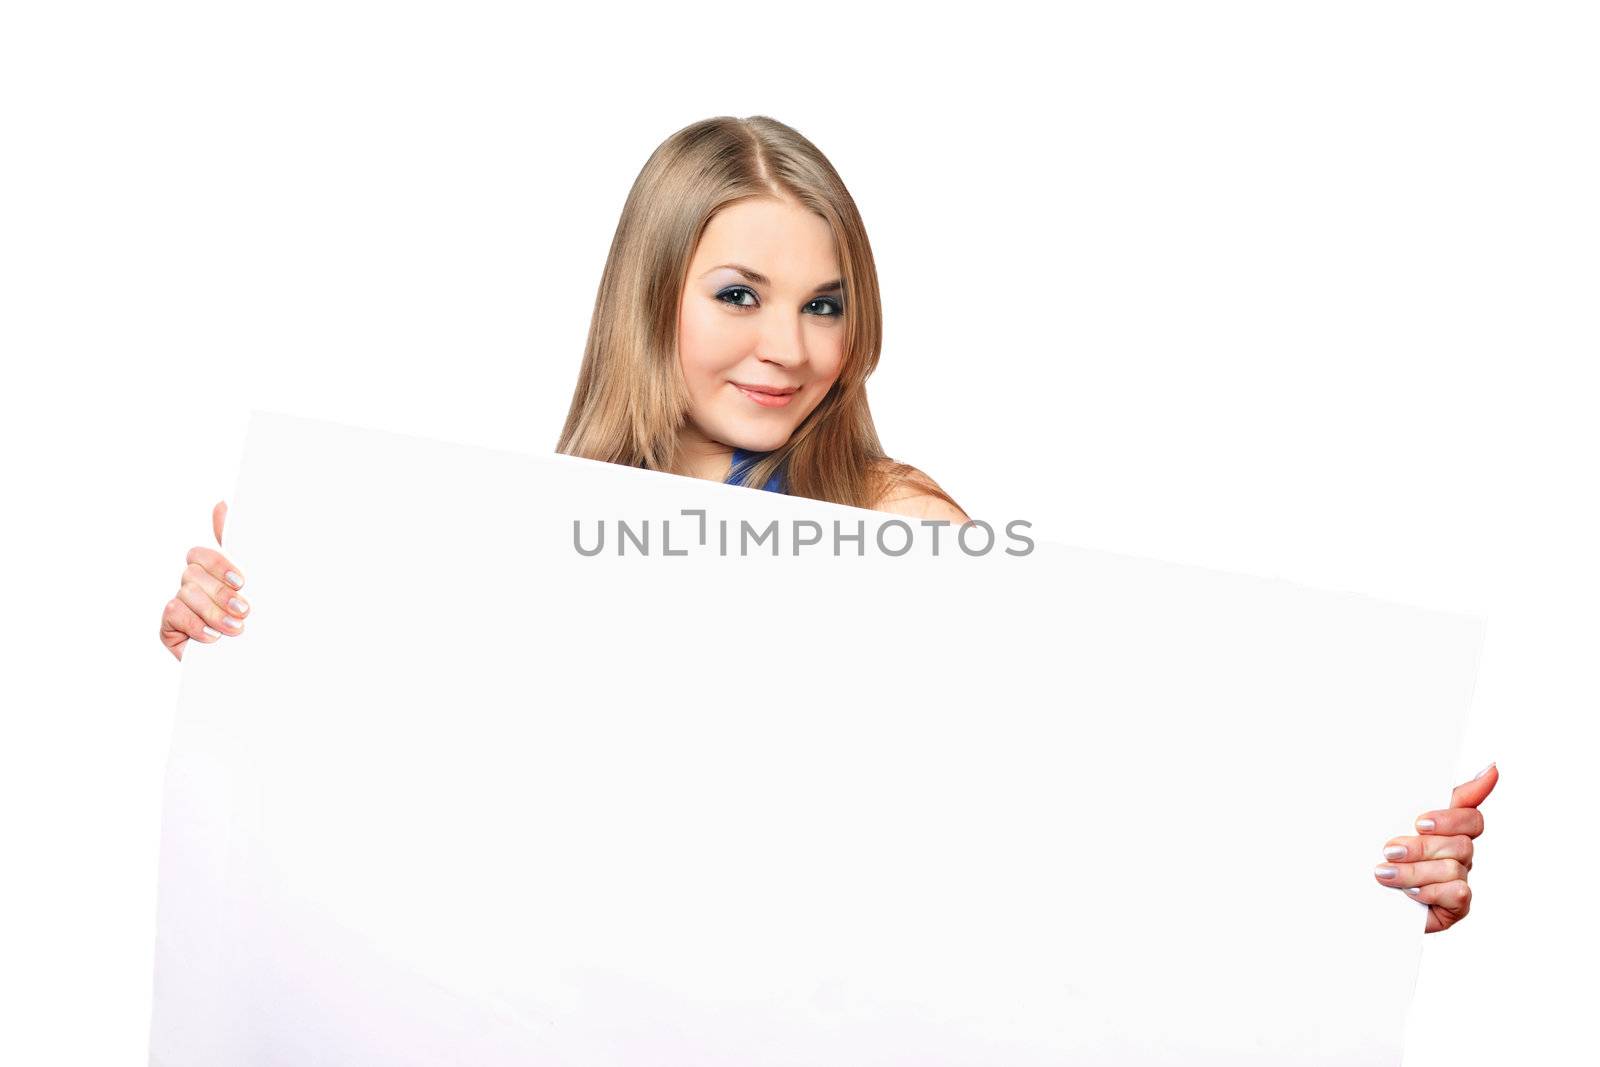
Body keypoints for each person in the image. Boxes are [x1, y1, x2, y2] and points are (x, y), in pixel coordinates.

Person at [154, 114, 1496, 934]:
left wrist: (1366, 870)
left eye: (825, 303)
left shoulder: (896, 524)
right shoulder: (517, 548)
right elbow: (407, 821)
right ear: (652, 296)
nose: (788, 348)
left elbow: (1089, 807)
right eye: (739, 293)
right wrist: (251, 644)